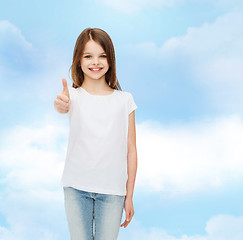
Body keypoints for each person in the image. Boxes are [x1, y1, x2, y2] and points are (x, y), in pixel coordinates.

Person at [54, 27, 138, 240]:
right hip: (76, 188)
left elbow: (131, 150)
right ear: (79, 60)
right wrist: (61, 105)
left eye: (102, 56)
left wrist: (129, 196)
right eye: (88, 56)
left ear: (110, 60)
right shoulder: (72, 96)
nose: (96, 62)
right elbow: (61, 105)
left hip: (113, 192)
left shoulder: (124, 100)